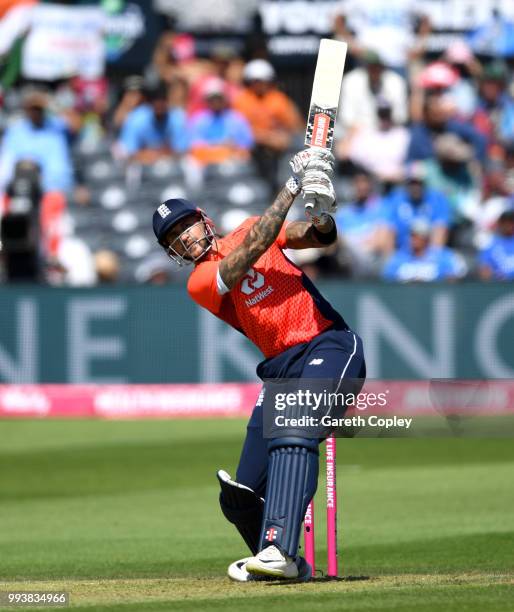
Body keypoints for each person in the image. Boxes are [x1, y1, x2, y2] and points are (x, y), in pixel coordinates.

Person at [152, 147, 365, 582]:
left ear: (203, 218)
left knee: (297, 426)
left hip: (329, 345)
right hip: (280, 371)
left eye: (186, 226)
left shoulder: (250, 225)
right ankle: (287, 563)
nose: (185, 238)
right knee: (239, 496)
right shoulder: (199, 282)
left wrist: (322, 211)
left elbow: (319, 238)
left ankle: (279, 550)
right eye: (174, 238)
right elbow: (251, 251)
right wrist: (291, 185)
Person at [117, 82, 187, 164]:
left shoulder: (177, 118)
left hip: (170, 164)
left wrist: (158, 155)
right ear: (150, 104)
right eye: (156, 101)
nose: (159, 105)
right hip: (140, 165)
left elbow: (183, 151)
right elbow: (127, 151)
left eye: (162, 101)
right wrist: (147, 155)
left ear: (168, 102)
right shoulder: (137, 118)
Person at [383, 220, 467, 282]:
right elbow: (387, 276)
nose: (414, 239)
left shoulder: (441, 256)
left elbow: (459, 272)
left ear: (426, 238)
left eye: (418, 236)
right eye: (412, 235)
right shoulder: (400, 257)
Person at [478, 209, 514, 280]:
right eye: (504, 222)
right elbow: (484, 271)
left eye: (511, 222)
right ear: (500, 224)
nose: (508, 225)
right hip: (499, 286)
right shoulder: (490, 245)